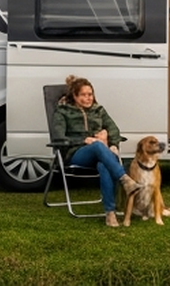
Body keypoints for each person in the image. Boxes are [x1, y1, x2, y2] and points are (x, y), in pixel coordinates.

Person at [49, 74, 128, 227]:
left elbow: (114, 130)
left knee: (104, 164)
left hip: (100, 154)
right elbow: (59, 138)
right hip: (76, 154)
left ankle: (110, 214)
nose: (88, 98)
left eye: (90, 94)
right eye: (84, 95)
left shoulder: (98, 110)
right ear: (75, 96)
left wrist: (112, 143)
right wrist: (84, 140)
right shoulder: (63, 112)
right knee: (98, 145)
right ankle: (125, 178)